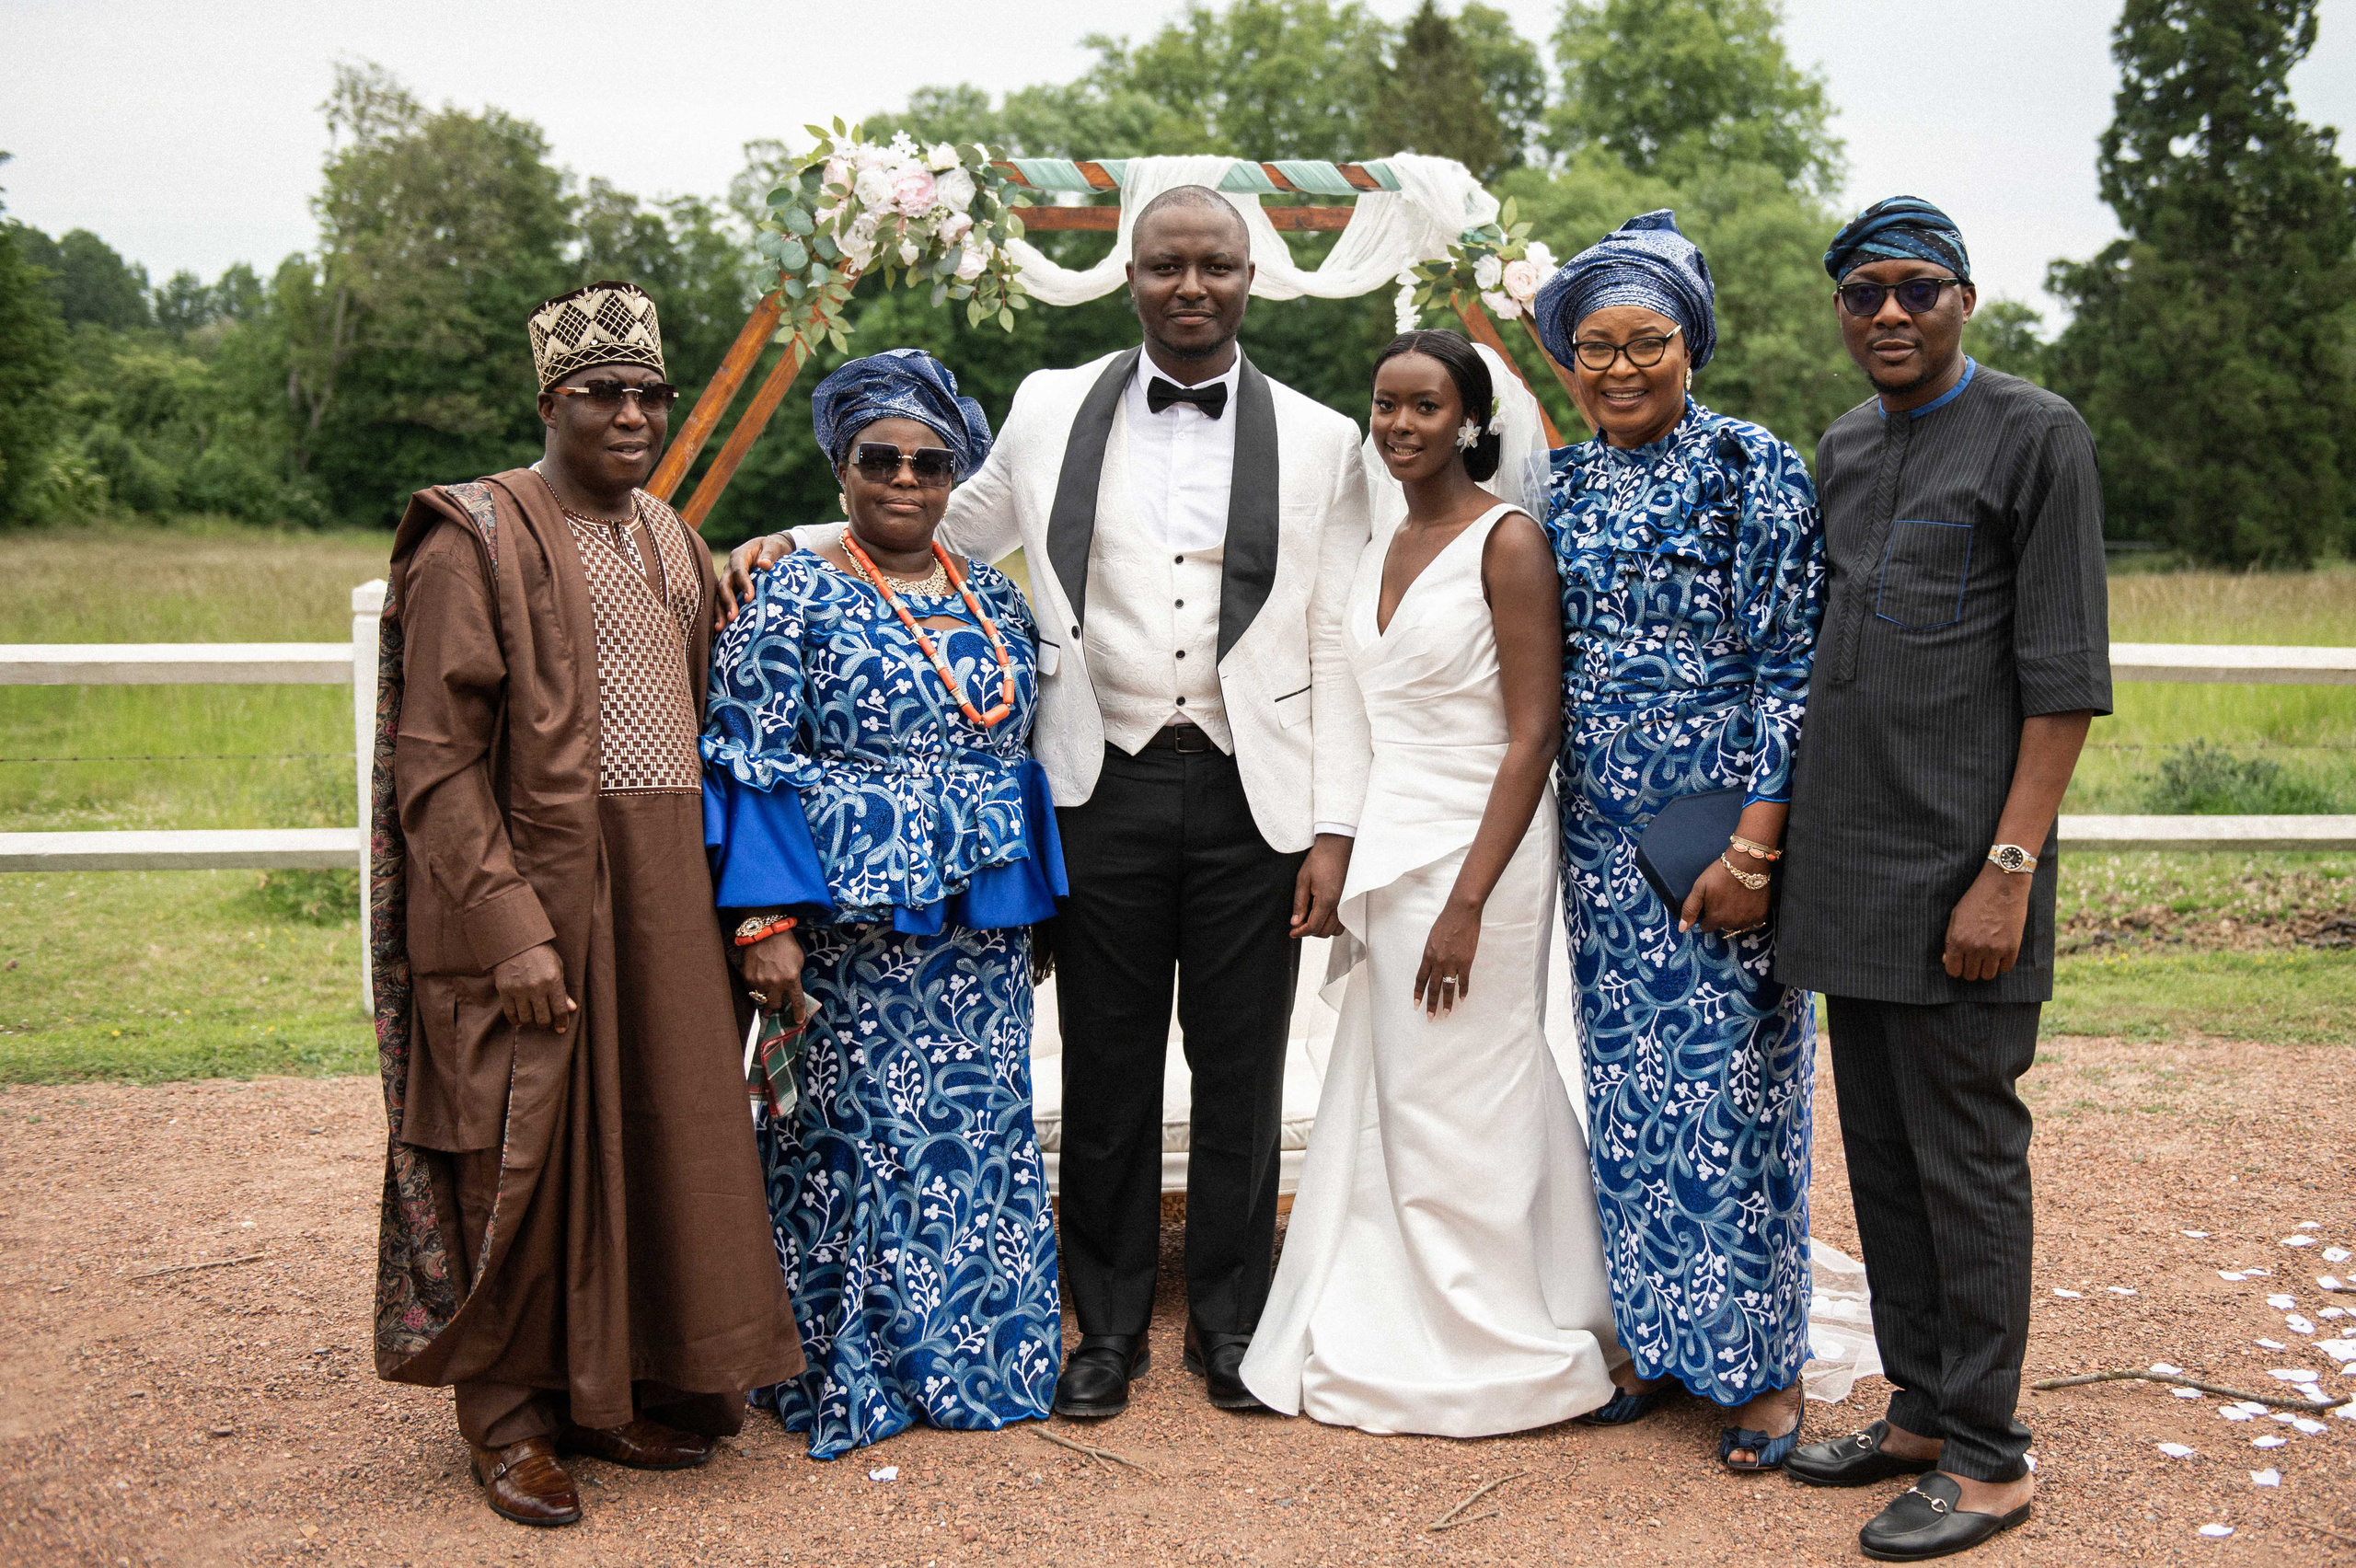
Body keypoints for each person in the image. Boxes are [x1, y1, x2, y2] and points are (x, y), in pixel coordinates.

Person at [722, 184, 1371, 1420]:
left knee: (1240, 1066)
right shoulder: (1049, 404)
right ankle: (1106, 1328)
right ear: (1131, 276)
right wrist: (792, 544)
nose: (1191, 287)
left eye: (1217, 266)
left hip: (1258, 791)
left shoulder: (1324, 436)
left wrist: (1334, 827)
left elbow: (1335, 634)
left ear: (1252, 278)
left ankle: (1231, 1324)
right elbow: (943, 523)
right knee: (1108, 1064)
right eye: (1167, 265)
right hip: (1096, 783)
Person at [370, 282, 802, 1528]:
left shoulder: (671, 535)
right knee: (526, 1146)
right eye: (601, 394)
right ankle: (509, 1423)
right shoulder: (475, 537)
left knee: (654, 1137)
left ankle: (607, 1392)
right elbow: (435, 762)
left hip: (665, 889)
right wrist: (507, 925)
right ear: (548, 403)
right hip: (538, 889)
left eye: (650, 395)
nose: (631, 416)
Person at [1776, 197, 2108, 1562]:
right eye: (1864, 294)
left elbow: (2064, 679)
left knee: (1967, 1162)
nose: (1891, 314)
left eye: (1917, 288)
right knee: (1886, 1158)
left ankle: (1987, 1454)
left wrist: (2009, 870)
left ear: (1965, 296)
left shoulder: (2036, 435)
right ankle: (1918, 1410)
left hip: (1967, 871)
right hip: (1847, 867)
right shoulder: (1845, 447)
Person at [1238, 329, 1622, 1435]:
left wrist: (1467, 901)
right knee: (1404, 1078)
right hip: (1395, 837)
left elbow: (1533, 734)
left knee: (1471, 1076)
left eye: (1424, 406)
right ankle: (1409, 1294)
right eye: (1385, 405)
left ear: (1469, 422)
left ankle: (1493, 1320)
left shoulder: (1508, 541)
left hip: (1484, 846)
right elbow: (1357, 716)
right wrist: (1337, 843)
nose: (1400, 425)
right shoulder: (1378, 546)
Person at [701, 349, 1065, 1458]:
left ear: (955, 474)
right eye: (880, 460)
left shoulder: (993, 596)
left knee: (978, 1133)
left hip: (978, 935)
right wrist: (763, 924)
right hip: (847, 934)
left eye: (929, 462)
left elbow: (1021, 753)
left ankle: (976, 1359)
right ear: (841, 468)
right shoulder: (786, 593)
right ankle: (852, 1374)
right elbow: (748, 760)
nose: (905, 479)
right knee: (853, 1143)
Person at [1527, 213, 1827, 1470]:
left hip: (1721, 834)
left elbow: (1794, 665)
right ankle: (1658, 1340)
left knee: (1734, 1099)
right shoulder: (1560, 481)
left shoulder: (1751, 466)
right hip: (1602, 846)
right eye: (1595, 347)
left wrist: (1756, 848)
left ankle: (1760, 1371)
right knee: (1632, 1094)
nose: (1620, 368)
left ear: (1690, 346)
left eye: (1646, 342)